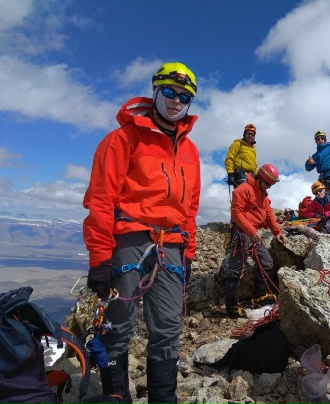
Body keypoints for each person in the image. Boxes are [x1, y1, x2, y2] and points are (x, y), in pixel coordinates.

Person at [83, 62, 201, 404]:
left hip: (172, 245)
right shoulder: (122, 139)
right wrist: (100, 258)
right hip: (130, 240)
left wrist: (189, 251)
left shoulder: (191, 151)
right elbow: (101, 200)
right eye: (170, 92)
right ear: (155, 91)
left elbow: (190, 208)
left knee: (168, 328)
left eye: (184, 97)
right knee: (117, 325)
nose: (176, 101)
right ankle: (116, 397)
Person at [224, 163, 289, 318]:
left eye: (271, 185)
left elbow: (269, 214)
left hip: (253, 233)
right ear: (260, 178)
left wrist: (278, 232)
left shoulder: (263, 195)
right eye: (268, 183)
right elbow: (236, 214)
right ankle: (232, 306)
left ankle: (259, 295)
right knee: (236, 268)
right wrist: (252, 231)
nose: (269, 187)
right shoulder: (243, 190)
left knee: (266, 262)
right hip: (241, 232)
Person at [224, 123, 258, 188]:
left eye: (252, 134)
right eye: (248, 133)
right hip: (240, 173)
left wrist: (256, 174)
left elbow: (255, 164)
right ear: (244, 134)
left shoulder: (253, 149)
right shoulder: (237, 144)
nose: (250, 135)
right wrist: (230, 173)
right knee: (242, 191)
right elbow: (229, 158)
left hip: (251, 175)